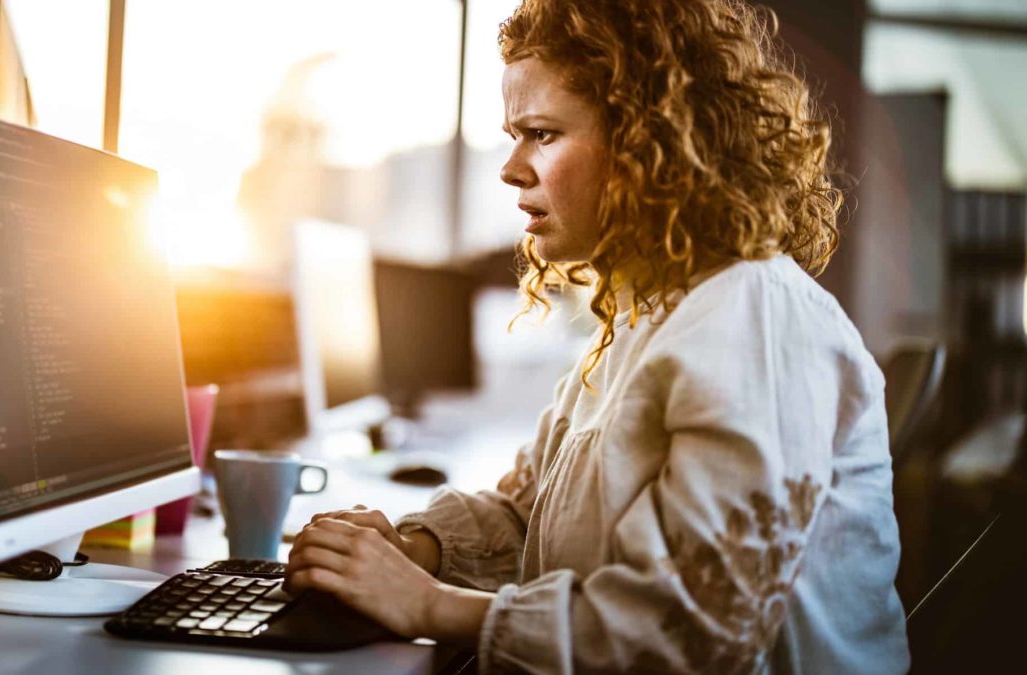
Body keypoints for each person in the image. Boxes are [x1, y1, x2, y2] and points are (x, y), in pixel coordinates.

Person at [285, 0, 910, 672]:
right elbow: (529, 515)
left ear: (647, 140)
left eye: (542, 134)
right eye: (514, 134)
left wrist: (427, 602)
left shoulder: (753, 316)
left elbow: (692, 633)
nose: (511, 167)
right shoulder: (642, 315)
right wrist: (413, 552)